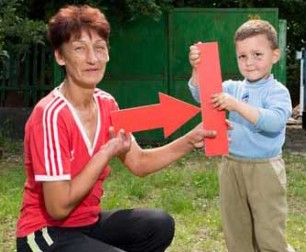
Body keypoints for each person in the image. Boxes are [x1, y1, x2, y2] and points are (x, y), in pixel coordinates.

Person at [16, 5, 217, 252]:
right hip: (44, 233)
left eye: (99, 48)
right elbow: (58, 207)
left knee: (158, 224)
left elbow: (139, 163)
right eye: (79, 48)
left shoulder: (106, 103)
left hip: (87, 225)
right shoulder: (50, 115)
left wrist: (190, 140)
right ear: (60, 56)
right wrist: (105, 153)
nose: (92, 58)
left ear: (108, 54)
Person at [187, 19, 294, 252]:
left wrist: (236, 106)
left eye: (257, 54)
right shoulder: (233, 87)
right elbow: (201, 94)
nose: (249, 63)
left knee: (268, 232)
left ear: (275, 55)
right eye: (242, 56)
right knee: (236, 231)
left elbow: (274, 122)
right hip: (231, 165)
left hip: (265, 169)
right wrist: (197, 68)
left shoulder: (277, 91)